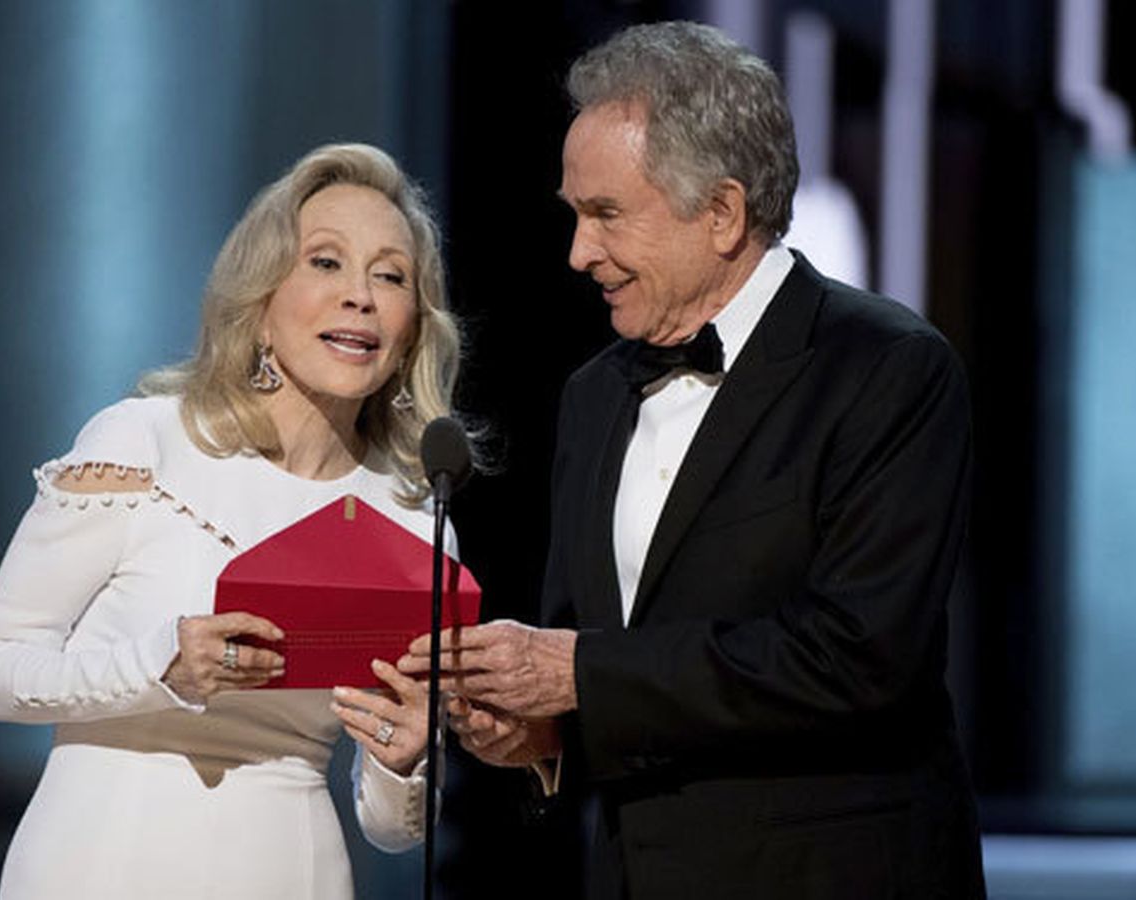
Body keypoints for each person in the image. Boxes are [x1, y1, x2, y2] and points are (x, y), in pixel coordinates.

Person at [402, 21, 986, 898]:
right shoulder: (594, 395)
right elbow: (595, 651)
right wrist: (541, 734)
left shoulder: (888, 369)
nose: (577, 253)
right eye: (574, 215)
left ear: (722, 212)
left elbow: (857, 657)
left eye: (606, 216)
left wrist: (573, 674)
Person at [0, 143, 465, 899]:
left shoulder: (413, 517)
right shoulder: (144, 442)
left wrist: (403, 760)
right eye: (325, 262)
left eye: (390, 276)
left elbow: (390, 827)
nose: (360, 295)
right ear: (259, 303)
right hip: (100, 861)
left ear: (410, 333)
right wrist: (159, 667)